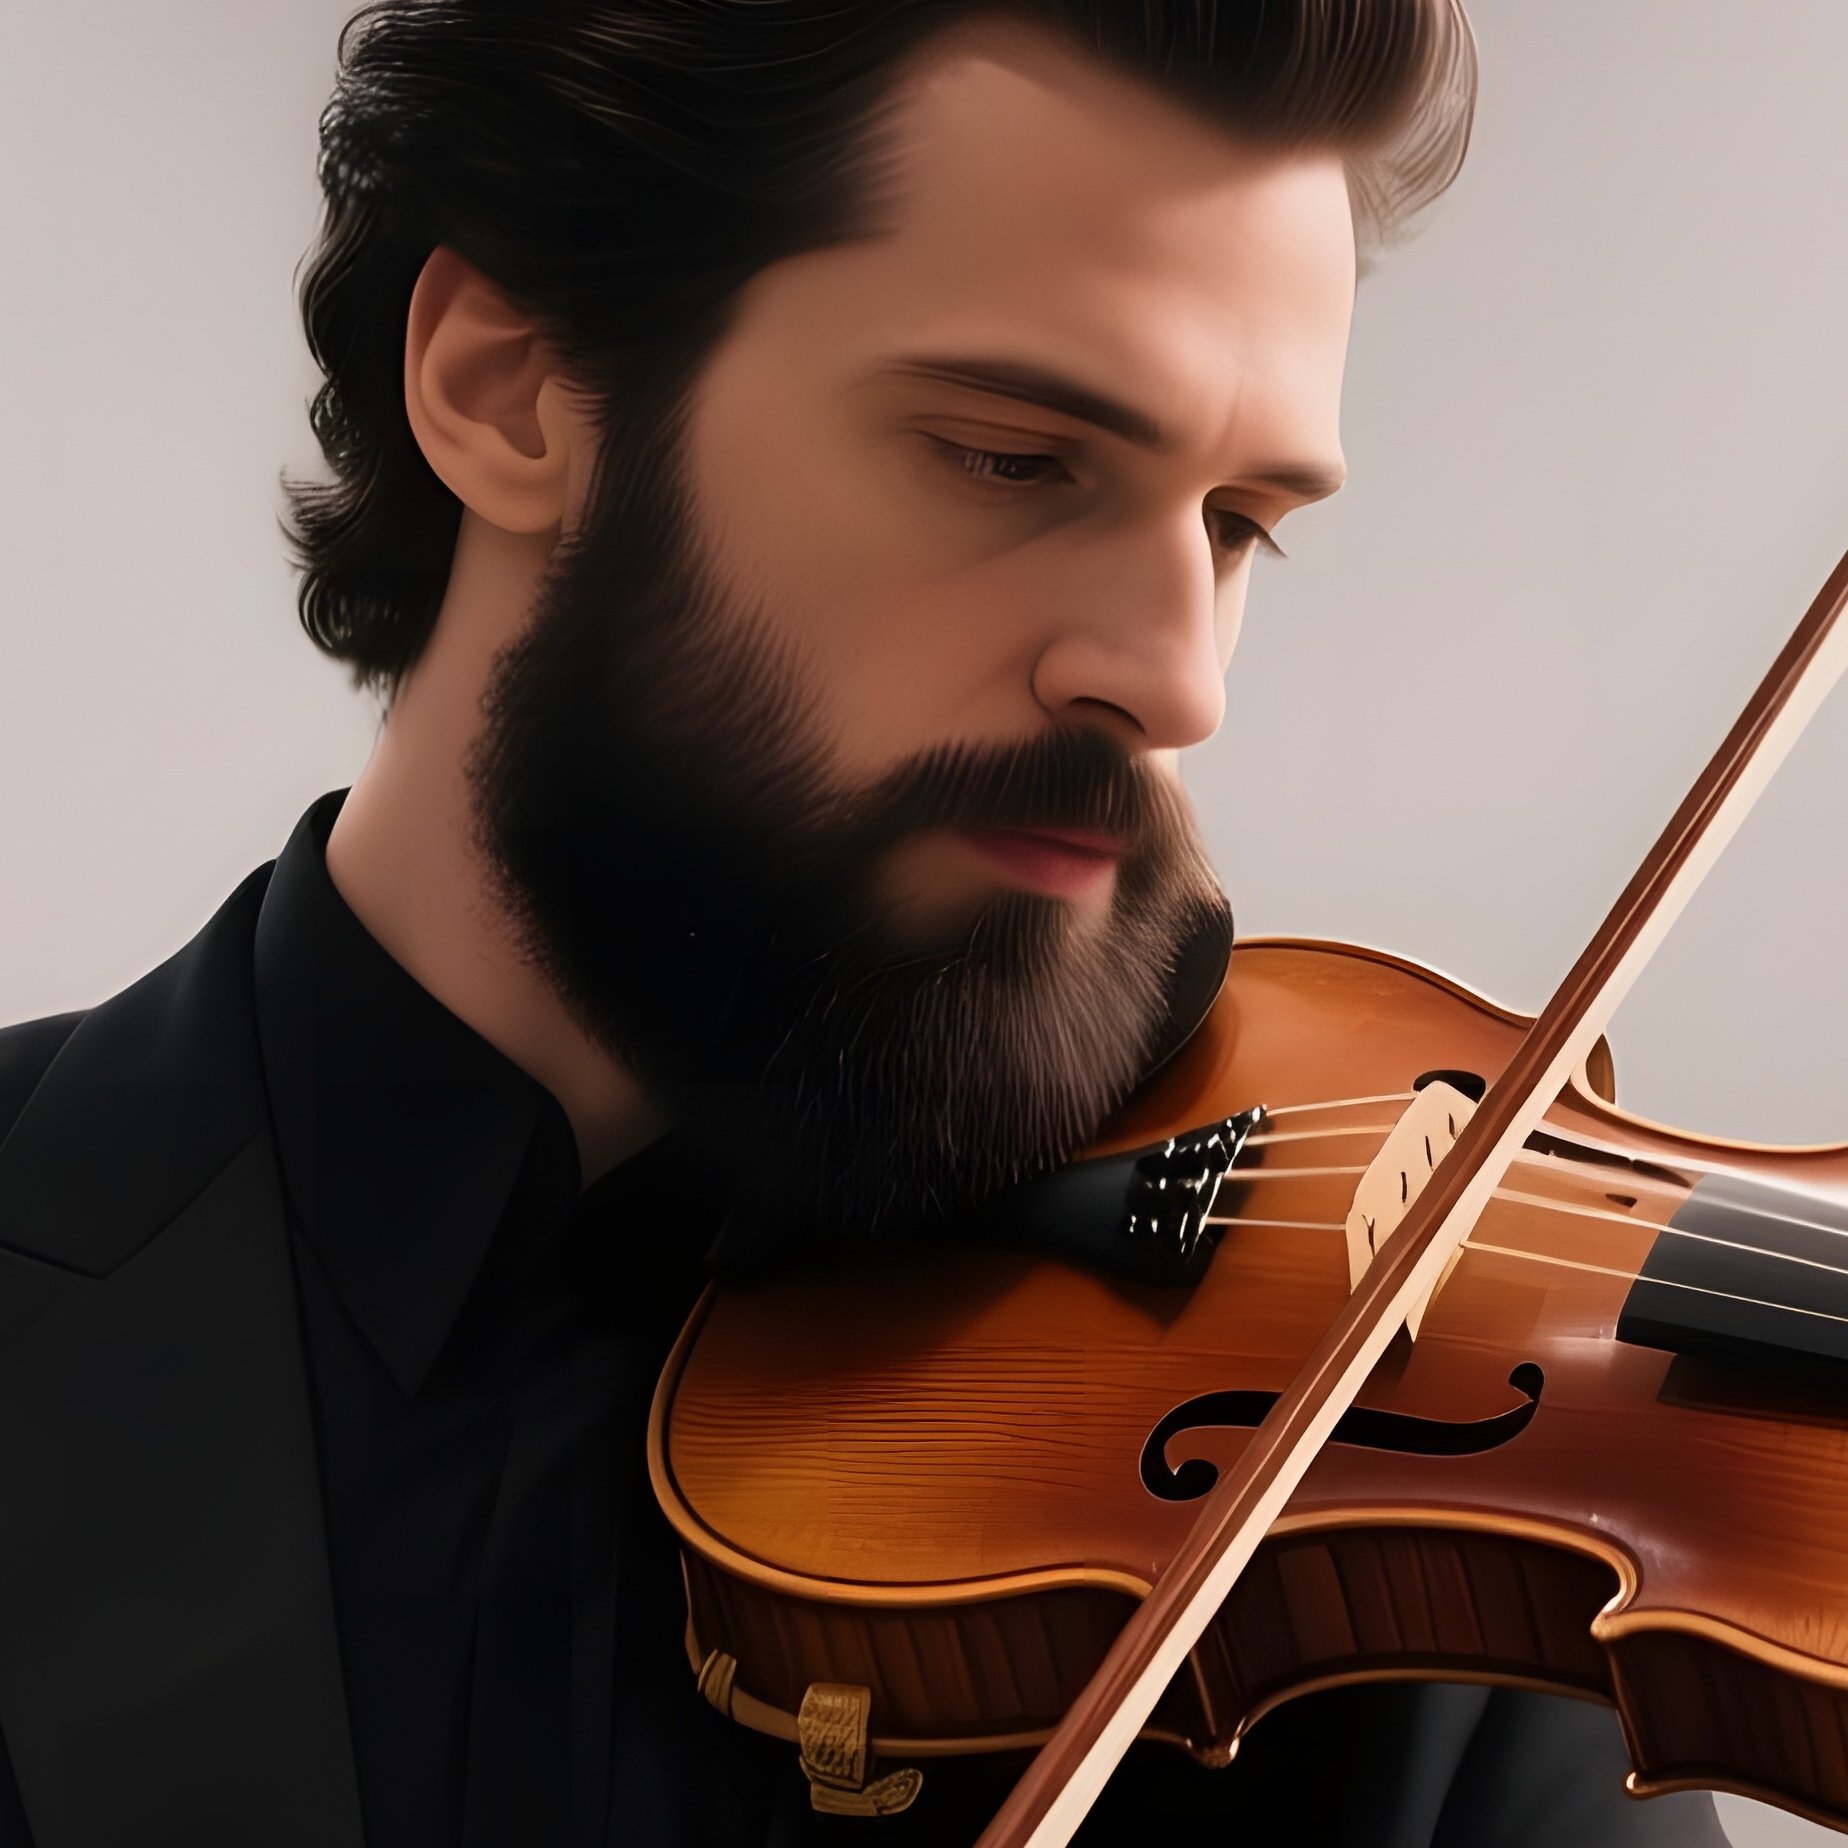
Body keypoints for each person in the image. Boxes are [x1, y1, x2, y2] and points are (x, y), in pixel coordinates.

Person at [0, 3, 1733, 1844]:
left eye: (1233, 523)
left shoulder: (1364, 1509)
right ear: (512, 387)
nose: (1173, 681)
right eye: (1010, 457)